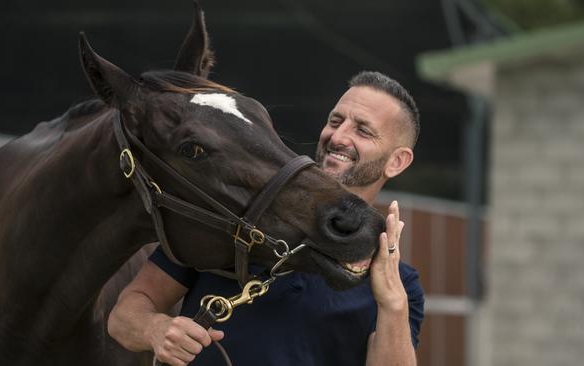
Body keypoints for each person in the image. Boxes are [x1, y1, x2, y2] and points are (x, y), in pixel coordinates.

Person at [107, 71, 424, 366]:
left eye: (363, 130)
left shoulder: (402, 288)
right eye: (335, 120)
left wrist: (393, 305)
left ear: (397, 161)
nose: (338, 136)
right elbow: (124, 316)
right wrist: (155, 328)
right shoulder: (236, 216)